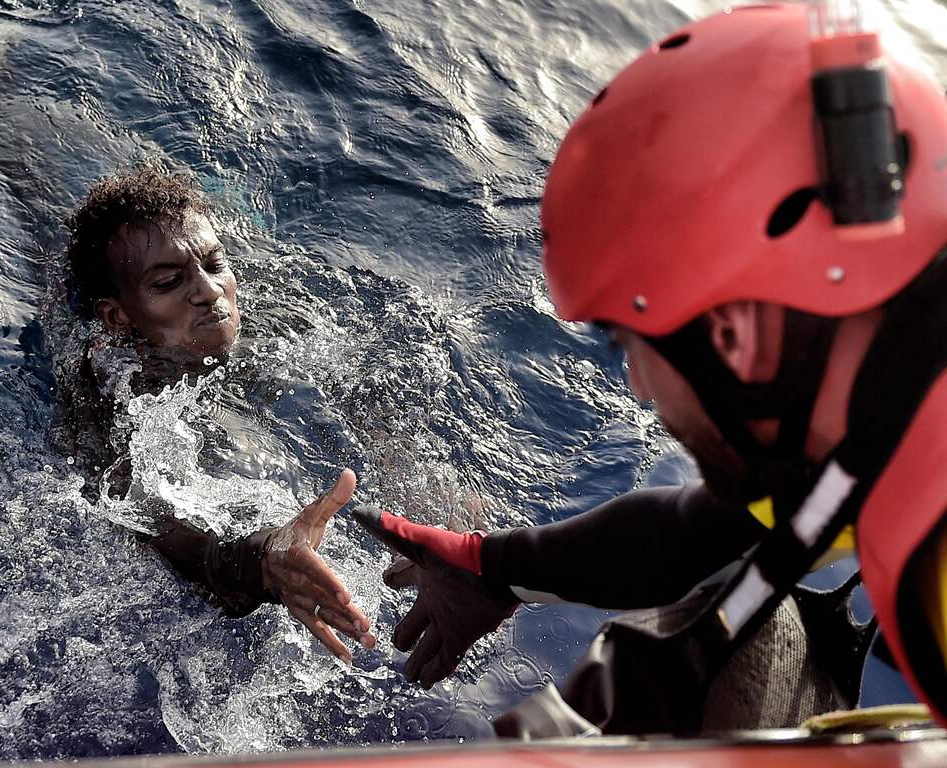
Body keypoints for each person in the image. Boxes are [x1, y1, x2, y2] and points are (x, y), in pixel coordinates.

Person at [356, 2, 947, 735]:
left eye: (624, 341)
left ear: (732, 335)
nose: (635, 383)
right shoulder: (883, 418)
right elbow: (689, 535)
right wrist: (488, 566)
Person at [61, 167, 376, 664]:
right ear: (118, 317)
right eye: (168, 281)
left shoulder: (279, 323)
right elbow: (146, 518)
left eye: (215, 263)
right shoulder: (113, 391)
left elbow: (369, 394)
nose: (208, 290)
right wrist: (260, 561)